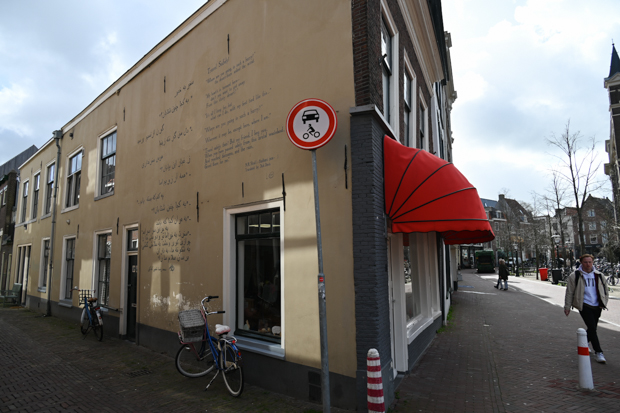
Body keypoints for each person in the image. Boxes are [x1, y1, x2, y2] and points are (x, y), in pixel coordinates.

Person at [564, 254, 609, 363]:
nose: (588, 264)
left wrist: (604, 302)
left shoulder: (599, 275)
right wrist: (567, 306)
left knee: (592, 327)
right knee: (592, 328)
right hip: (584, 305)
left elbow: (605, 290)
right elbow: (569, 292)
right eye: (585, 262)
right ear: (581, 263)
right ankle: (599, 352)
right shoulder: (575, 276)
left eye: (590, 262)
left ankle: (585, 342)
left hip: (597, 305)